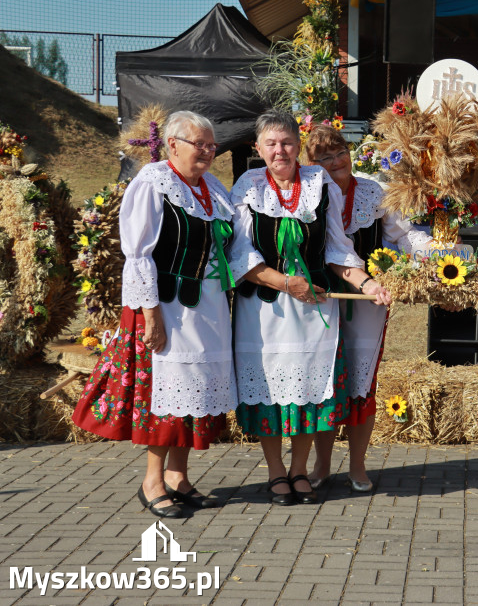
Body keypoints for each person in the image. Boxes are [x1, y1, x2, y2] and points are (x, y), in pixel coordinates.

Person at [73, 111, 238, 518]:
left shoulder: (213, 189)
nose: (207, 151)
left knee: (195, 392)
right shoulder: (153, 184)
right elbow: (138, 253)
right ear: (173, 144)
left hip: (207, 309)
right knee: (165, 395)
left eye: (211, 145)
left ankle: (179, 477)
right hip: (165, 307)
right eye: (199, 144)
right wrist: (150, 315)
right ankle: (152, 481)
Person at [229, 111, 391, 507]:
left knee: (308, 389)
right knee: (268, 387)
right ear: (258, 148)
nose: (279, 150)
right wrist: (285, 283)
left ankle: (299, 470)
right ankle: (274, 473)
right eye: (271, 143)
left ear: (298, 147)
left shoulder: (319, 184)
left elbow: (337, 247)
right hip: (264, 310)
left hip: (314, 307)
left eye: (286, 142)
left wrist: (367, 283)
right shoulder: (248, 186)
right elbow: (241, 253)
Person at [304, 124, 431, 493]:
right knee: (325, 382)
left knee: (361, 384)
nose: (334, 161)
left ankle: (357, 465)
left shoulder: (373, 190)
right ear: (311, 163)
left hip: (367, 300)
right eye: (323, 157)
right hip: (322, 298)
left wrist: (434, 253)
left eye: (339, 152)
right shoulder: (309, 193)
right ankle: (323, 463)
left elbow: (402, 235)